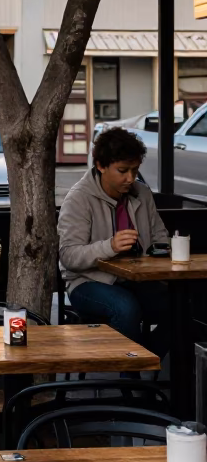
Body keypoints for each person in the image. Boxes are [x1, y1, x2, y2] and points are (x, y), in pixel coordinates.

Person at [58, 126, 170, 359]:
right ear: (101, 166)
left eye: (135, 170)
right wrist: (110, 246)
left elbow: (161, 238)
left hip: (135, 279)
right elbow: (68, 256)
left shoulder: (142, 193)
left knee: (183, 306)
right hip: (86, 282)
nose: (131, 178)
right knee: (125, 307)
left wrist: (162, 251)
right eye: (122, 170)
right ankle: (132, 386)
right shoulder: (79, 198)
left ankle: (147, 359)